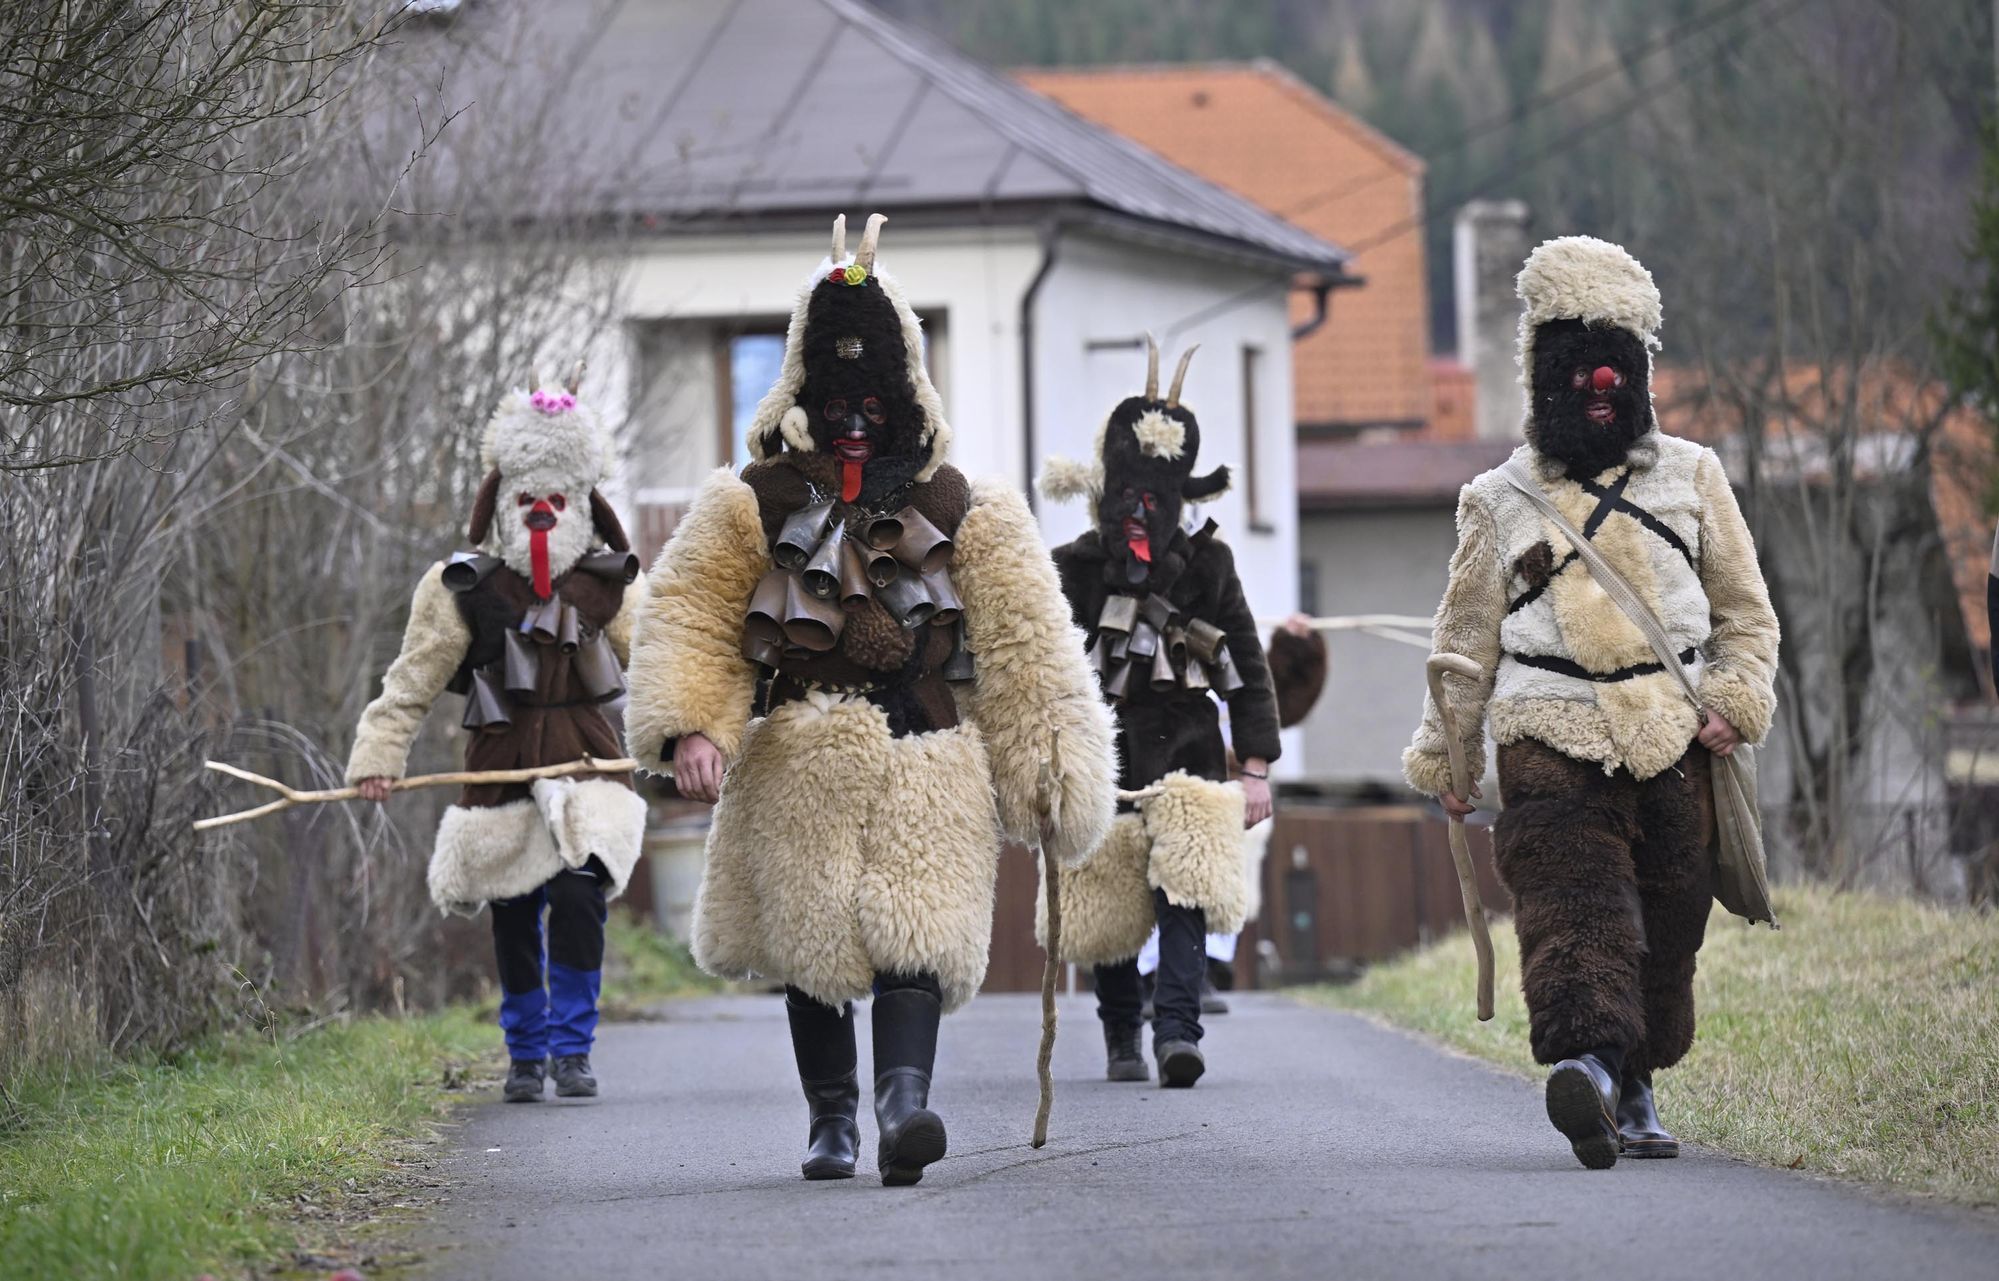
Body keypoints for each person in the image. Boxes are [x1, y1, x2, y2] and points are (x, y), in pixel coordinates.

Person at [622, 214, 1116, 1186]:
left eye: (872, 399)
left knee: (916, 941)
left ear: (905, 397)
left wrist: (1052, 765)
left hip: (929, 754)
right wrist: (690, 726)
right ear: (805, 391)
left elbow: (1028, 642)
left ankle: (902, 1108)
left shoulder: (967, 506)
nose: (853, 418)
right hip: (798, 754)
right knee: (813, 949)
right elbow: (690, 614)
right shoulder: (749, 501)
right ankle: (831, 1121)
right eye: (835, 396)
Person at [1404, 237, 1779, 1168]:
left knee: (1668, 919)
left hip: (1674, 732)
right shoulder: (1496, 500)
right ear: (1544, 375)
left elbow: (1746, 612)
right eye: (1576, 363)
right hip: (1546, 730)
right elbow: (1461, 645)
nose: (1599, 379)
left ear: (1643, 369)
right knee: (1575, 909)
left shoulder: (1692, 476)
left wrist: (1736, 694)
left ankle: (1630, 1077)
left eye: (1615, 358)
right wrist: (1449, 756)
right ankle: (1590, 1069)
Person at [346, 374, 649, 1103]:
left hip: (589, 764)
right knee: (513, 908)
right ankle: (525, 1051)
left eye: (556, 501)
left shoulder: (610, 586)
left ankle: (572, 1049)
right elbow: (411, 681)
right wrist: (379, 756)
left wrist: (698, 731)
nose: (542, 514)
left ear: (583, 506)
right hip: (500, 763)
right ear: (501, 506)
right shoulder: (460, 587)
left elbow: (666, 666)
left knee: (579, 896)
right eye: (526, 502)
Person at [1036, 337, 1282, 1088]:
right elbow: (1039, 673)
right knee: (1106, 894)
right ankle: (1119, 1033)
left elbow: (1244, 662)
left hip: (1190, 748)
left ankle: (1176, 1031)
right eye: (1127, 496)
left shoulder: (1209, 566)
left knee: (1186, 892)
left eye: (1157, 499)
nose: (1140, 513)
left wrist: (1254, 767)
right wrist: (1039, 762)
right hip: (1098, 751)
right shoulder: (1070, 569)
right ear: (1103, 490)